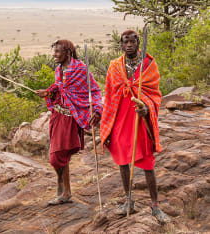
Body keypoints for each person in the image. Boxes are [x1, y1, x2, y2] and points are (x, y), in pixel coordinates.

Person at [100, 30, 169, 223]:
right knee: (123, 160)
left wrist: (146, 108)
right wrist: (104, 119)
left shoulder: (148, 65)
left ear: (138, 44)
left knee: (147, 162)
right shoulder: (114, 66)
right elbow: (110, 93)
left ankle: (155, 206)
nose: (129, 45)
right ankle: (128, 200)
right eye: (125, 42)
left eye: (132, 41)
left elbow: (155, 94)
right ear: (121, 45)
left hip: (140, 120)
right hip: (120, 119)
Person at [35, 40, 102, 205]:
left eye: (58, 52)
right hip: (57, 115)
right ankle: (64, 189)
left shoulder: (80, 69)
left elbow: (94, 90)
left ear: (68, 53)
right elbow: (59, 88)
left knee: (58, 156)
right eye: (55, 51)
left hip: (70, 117)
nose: (55, 55)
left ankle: (65, 192)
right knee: (57, 156)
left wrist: (97, 110)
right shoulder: (59, 70)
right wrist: (48, 92)